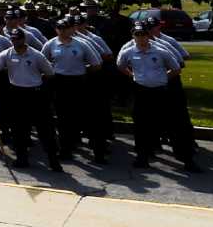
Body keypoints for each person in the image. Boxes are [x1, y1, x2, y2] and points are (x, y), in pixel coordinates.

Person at [118, 22, 200, 171]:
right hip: (141, 91)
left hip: (161, 91)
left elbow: (176, 68)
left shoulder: (161, 51)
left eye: (143, 34)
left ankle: (187, 159)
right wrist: (134, 76)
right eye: (137, 35)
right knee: (142, 125)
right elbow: (121, 66)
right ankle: (142, 156)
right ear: (133, 36)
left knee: (174, 125)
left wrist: (162, 78)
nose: (140, 38)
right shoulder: (128, 52)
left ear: (148, 35)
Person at [0, 31, 60, 170]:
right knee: (19, 129)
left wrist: (37, 82)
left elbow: (50, 72)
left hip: (35, 95)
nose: (15, 42)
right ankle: (22, 159)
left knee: (45, 129)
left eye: (18, 39)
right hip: (17, 94)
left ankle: (53, 161)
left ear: (24, 39)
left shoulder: (36, 55)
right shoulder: (7, 53)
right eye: (13, 39)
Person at [42, 19, 108, 163]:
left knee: (85, 116)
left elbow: (97, 64)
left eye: (65, 28)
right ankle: (65, 150)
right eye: (59, 28)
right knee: (63, 118)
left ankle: (98, 152)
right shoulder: (51, 44)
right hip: (59, 82)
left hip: (78, 82)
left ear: (71, 29)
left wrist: (83, 69)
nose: (62, 30)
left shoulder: (81, 43)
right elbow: (43, 61)